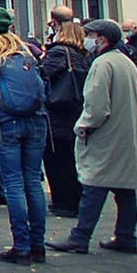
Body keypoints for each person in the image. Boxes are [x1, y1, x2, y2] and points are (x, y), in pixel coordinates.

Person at [49, 19, 137, 256]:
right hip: (125, 133)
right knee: (124, 189)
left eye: (90, 36)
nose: (87, 40)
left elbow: (97, 106)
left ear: (102, 39)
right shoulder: (126, 62)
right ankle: (126, 236)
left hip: (105, 136)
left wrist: (83, 127)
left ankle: (80, 236)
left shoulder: (102, 64)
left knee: (94, 185)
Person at [0, 8, 48, 264]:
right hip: (36, 120)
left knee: (13, 183)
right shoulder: (28, 51)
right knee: (33, 182)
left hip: (4, 122)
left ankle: (21, 245)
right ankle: (38, 244)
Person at [40, 21, 91, 217]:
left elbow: (43, 75)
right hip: (75, 110)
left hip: (57, 111)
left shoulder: (58, 53)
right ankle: (74, 200)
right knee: (71, 159)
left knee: (57, 159)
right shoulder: (82, 56)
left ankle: (64, 202)